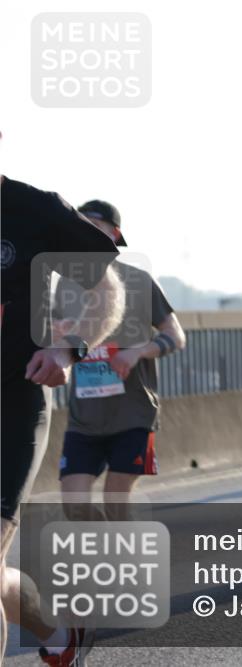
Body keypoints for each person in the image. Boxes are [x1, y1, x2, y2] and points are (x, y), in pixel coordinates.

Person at [1, 175, 125, 666]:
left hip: (13, 400)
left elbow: (107, 290)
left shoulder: (33, 209)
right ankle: (56, 632)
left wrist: (69, 348)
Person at [56, 201, 186, 522]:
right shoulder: (65, 287)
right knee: (75, 507)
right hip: (84, 418)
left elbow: (176, 336)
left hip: (133, 415)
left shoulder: (139, 282)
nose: (83, 234)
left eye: (93, 227)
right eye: (79, 226)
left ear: (114, 234)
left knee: (116, 500)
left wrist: (136, 351)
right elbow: (54, 340)